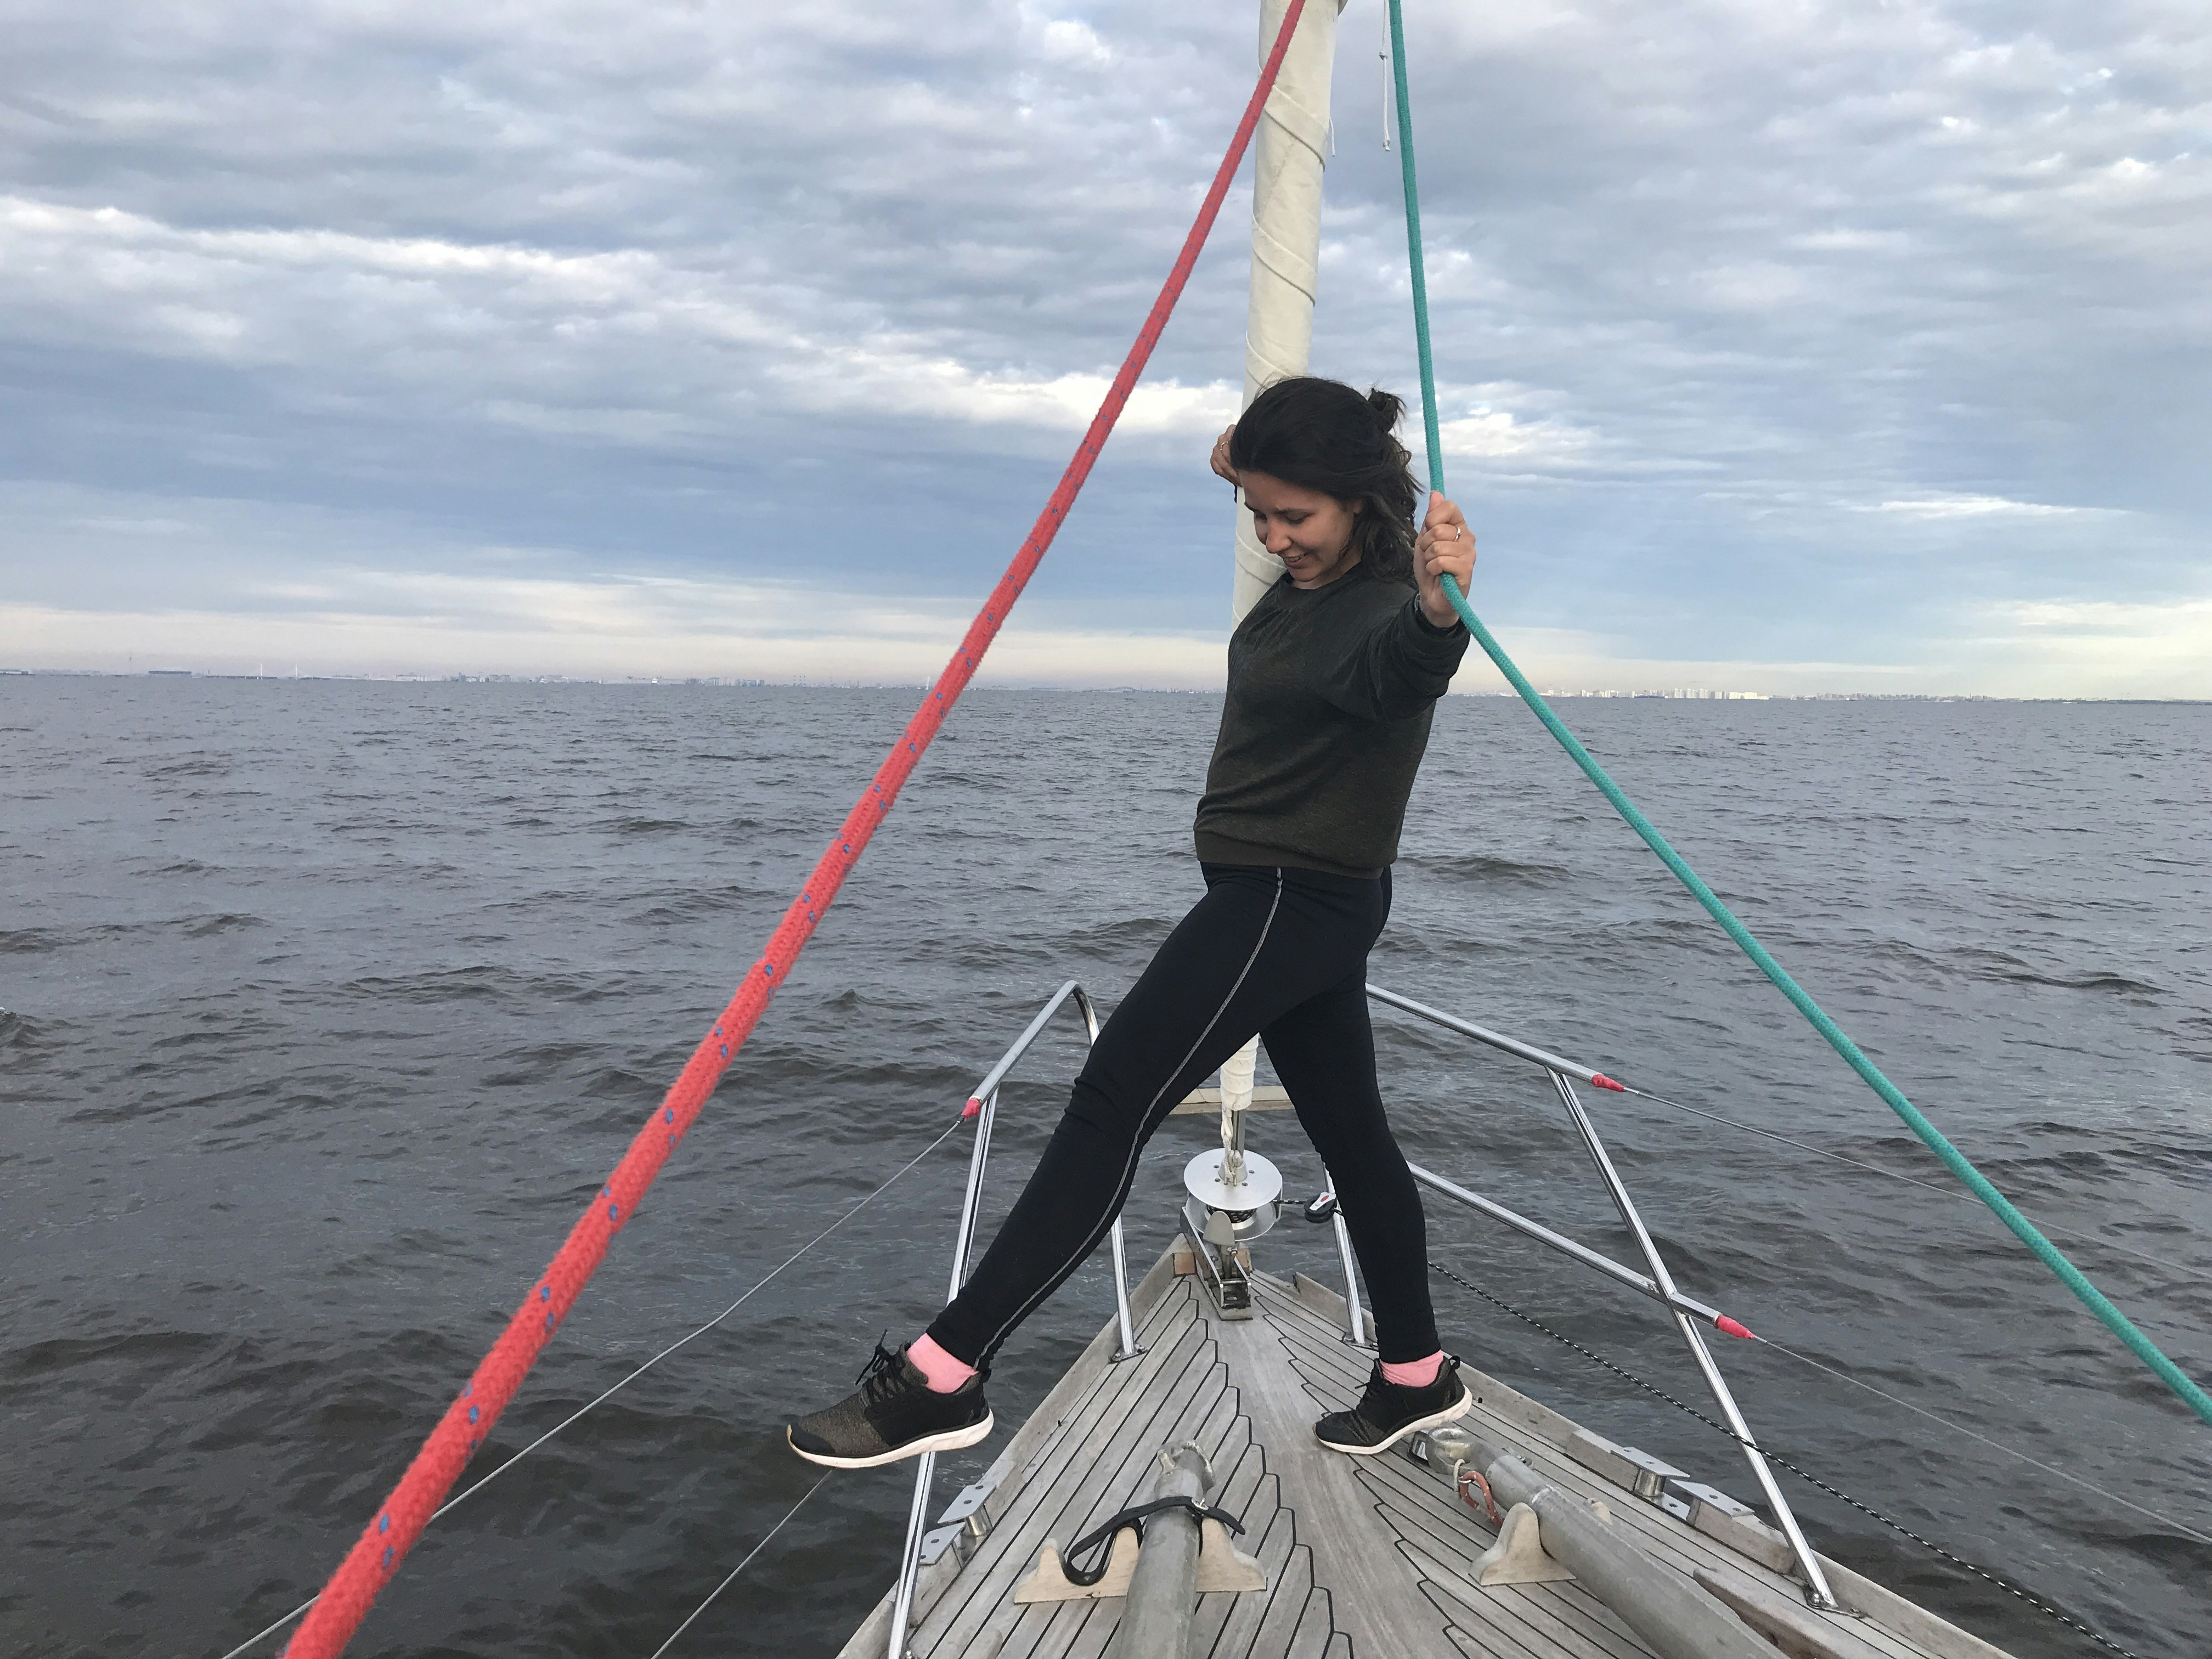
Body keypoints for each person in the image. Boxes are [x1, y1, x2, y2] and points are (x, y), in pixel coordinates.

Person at [787, 375, 1478, 1470]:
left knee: (1115, 1096)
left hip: (1291, 896)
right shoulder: (1315, 559)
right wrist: (1242, 459)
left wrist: (1443, 610)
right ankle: (1415, 1374)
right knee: (1354, 1137)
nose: (1271, 533)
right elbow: (1269, 484)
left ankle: (945, 1374)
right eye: (1256, 510)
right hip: (1293, 899)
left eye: (1292, 515)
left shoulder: (1391, 608)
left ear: (1354, 501)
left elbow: (1413, 663)